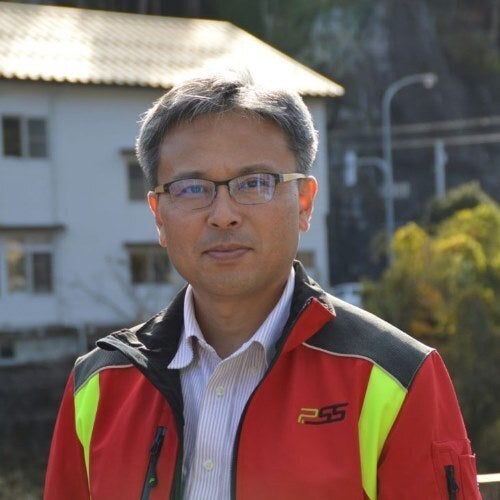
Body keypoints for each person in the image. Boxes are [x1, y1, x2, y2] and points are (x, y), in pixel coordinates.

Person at [44, 73, 481, 500]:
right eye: (192, 188)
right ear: (159, 215)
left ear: (304, 203)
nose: (223, 215)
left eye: (254, 183)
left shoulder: (395, 378)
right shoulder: (99, 384)